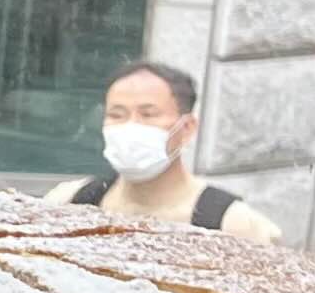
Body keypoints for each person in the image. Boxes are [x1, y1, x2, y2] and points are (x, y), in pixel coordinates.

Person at [67, 59, 279, 241]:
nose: (131, 126)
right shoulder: (71, 202)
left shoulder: (234, 225)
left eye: (148, 114)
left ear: (186, 128)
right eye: (117, 115)